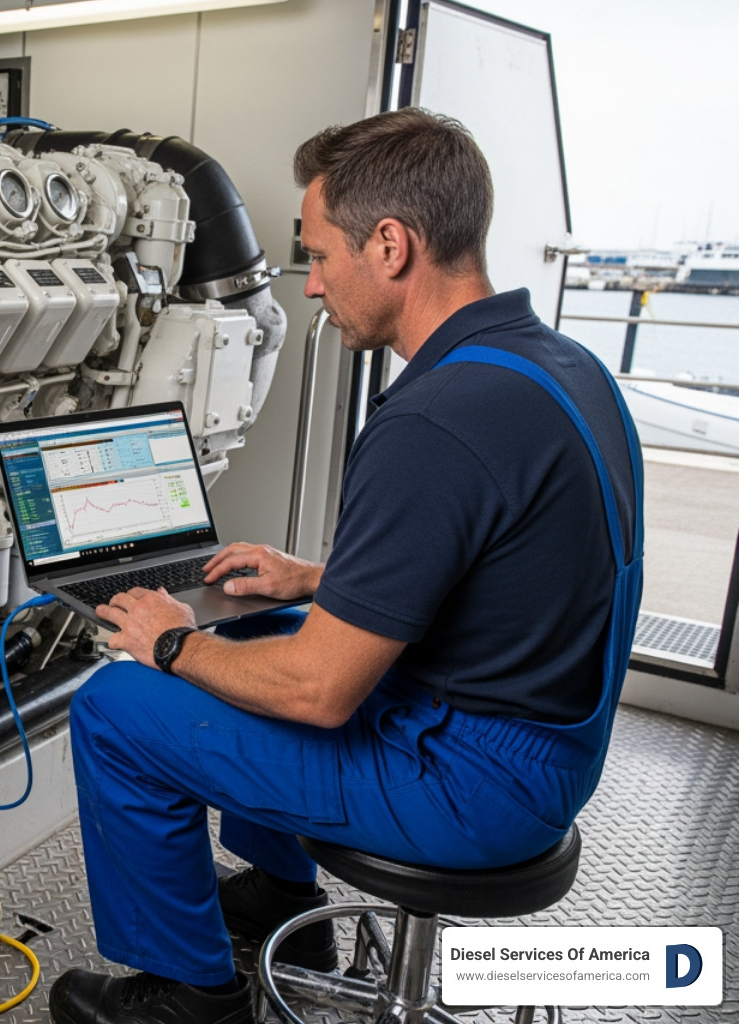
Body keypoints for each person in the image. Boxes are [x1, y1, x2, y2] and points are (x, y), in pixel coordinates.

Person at [47, 108, 643, 1024]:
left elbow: (321, 695)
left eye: (321, 256)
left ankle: (191, 998)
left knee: (117, 708)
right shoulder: (560, 365)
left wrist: (170, 647)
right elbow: (514, 569)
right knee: (261, 624)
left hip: (471, 784)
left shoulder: (435, 418)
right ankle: (287, 904)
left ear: (392, 246)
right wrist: (320, 581)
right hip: (551, 746)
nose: (313, 286)